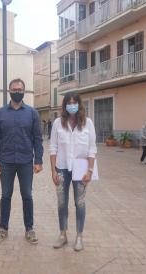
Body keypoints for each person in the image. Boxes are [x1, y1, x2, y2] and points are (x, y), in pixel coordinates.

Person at [0, 78, 44, 245]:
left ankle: (29, 229)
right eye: (14, 89)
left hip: (26, 161)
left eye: (20, 89)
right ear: (9, 91)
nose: (17, 92)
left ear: (24, 91)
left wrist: (38, 160)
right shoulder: (0, 113)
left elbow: (38, 138)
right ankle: (3, 229)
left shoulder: (32, 113)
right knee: (6, 196)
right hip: (6, 162)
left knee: (27, 195)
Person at [49, 92, 97, 252]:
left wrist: (90, 171)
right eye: (69, 102)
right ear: (64, 105)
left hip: (81, 169)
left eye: (74, 102)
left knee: (79, 202)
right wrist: (53, 170)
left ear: (79, 104)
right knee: (62, 202)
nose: (72, 105)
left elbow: (92, 149)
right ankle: (63, 234)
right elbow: (53, 147)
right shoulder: (57, 123)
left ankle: (79, 236)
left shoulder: (88, 123)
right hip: (62, 167)